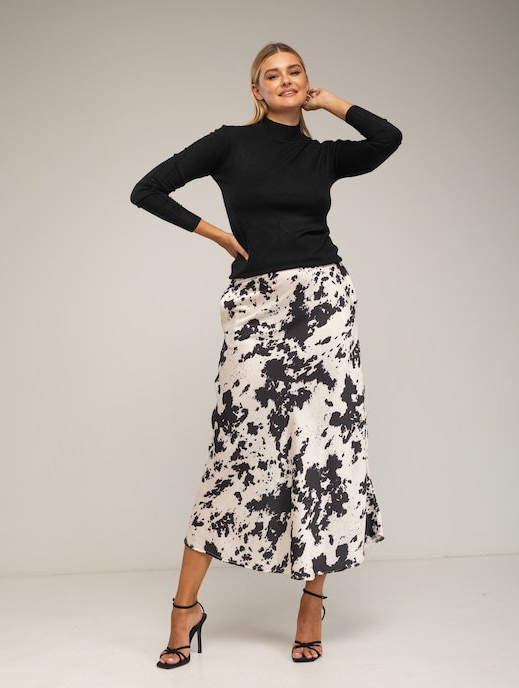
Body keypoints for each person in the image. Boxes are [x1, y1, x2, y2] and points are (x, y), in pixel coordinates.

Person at [130, 41, 402, 667]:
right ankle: (184, 609)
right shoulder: (229, 143)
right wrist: (216, 234)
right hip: (256, 306)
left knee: (323, 450)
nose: (284, 81)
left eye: (294, 73)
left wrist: (331, 103)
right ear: (255, 90)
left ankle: (312, 604)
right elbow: (148, 189)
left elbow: (387, 139)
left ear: (306, 81)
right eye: (271, 76)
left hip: (324, 304)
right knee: (236, 451)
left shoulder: (323, 155)